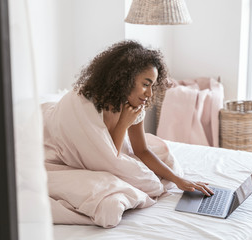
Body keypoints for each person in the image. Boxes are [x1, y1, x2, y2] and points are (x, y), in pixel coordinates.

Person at [73, 40, 213, 197]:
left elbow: (142, 150)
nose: (150, 94)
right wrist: (124, 123)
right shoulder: (94, 106)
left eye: (153, 86)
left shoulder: (133, 107)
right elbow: (108, 159)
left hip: (111, 152)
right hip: (84, 151)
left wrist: (179, 180)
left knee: (164, 164)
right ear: (124, 79)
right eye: (146, 84)